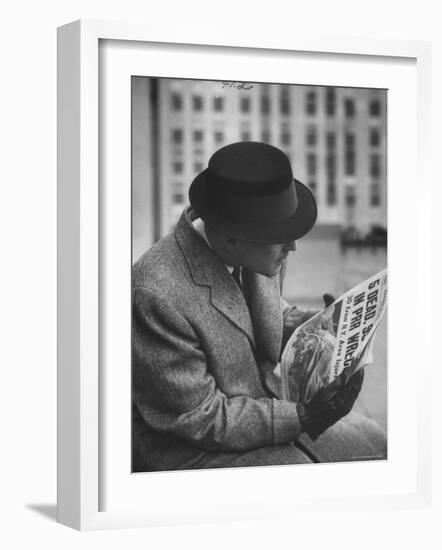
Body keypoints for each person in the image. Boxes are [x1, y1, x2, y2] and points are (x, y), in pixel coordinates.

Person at [132, 141, 386, 472]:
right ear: (228, 235)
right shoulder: (156, 292)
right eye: (280, 235)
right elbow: (200, 418)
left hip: (261, 406)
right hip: (190, 448)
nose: (292, 246)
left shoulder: (257, 251)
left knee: (377, 442)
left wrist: (313, 325)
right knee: (325, 479)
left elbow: (257, 316)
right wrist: (303, 416)